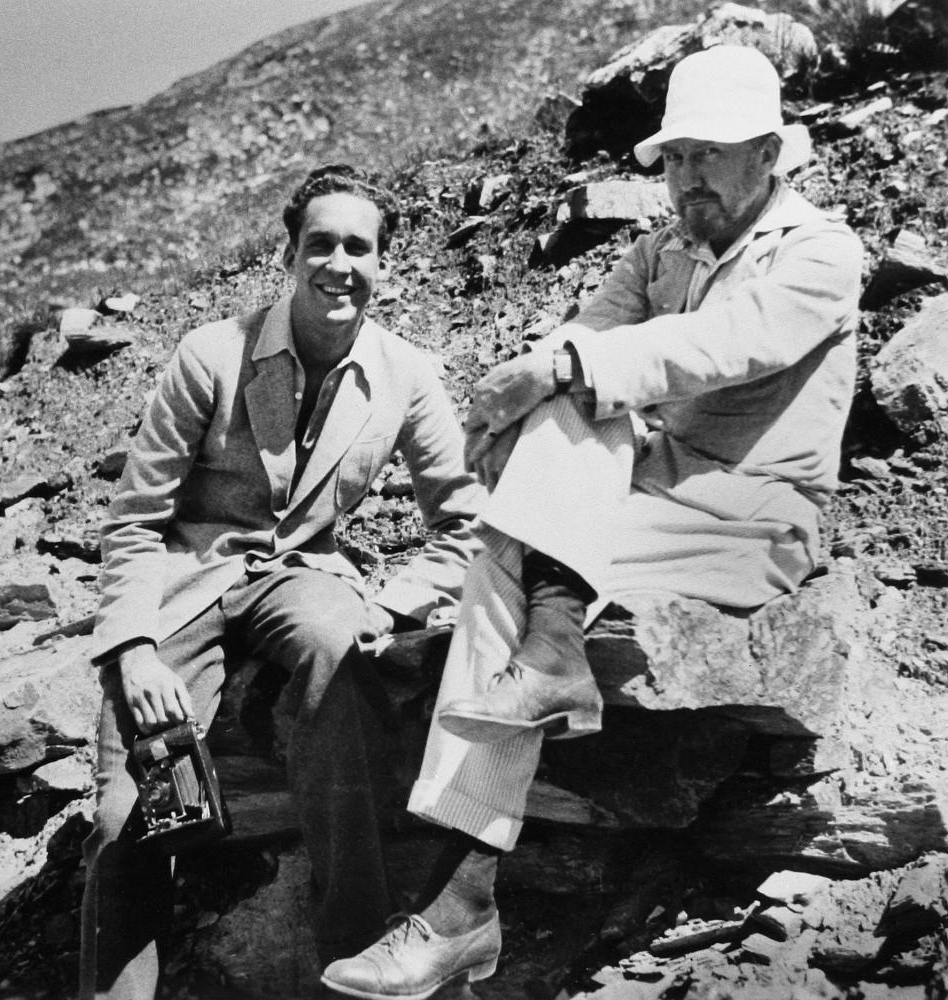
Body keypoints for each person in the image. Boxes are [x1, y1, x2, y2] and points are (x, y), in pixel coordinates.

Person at [322, 45, 864, 999]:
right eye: (675, 157)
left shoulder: (821, 252)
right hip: (657, 492)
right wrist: (518, 404)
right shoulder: (662, 250)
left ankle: (461, 902)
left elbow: (719, 346)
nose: (686, 177)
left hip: (755, 511)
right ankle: (552, 657)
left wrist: (559, 377)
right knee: (553, 421)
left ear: (770, 153)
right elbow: (586, 333)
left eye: (710, 154)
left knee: (521, 511)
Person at [79, 164, 484, 999]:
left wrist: (398, 598)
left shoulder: (406, 373)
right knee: (130, 819)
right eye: (321, 244)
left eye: (359, 248)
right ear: (290, 254)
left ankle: (359, 961)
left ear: (384, 263)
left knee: (343, 651)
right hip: (184, 583)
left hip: (304, 575)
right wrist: (133, 649)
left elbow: (465, 524)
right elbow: (133, 519)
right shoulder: (211, 355)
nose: (340, 264)